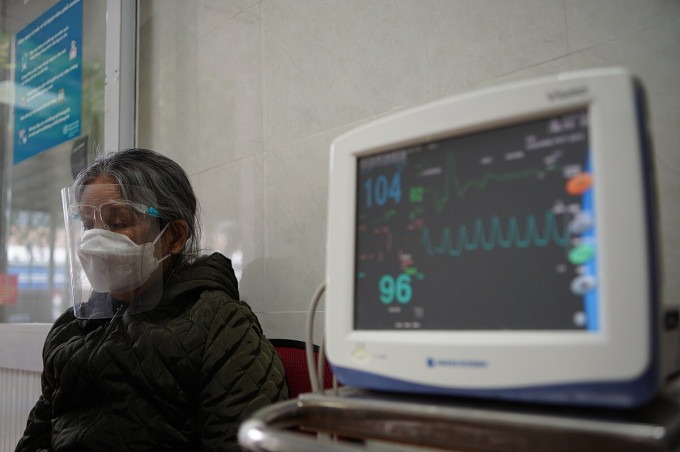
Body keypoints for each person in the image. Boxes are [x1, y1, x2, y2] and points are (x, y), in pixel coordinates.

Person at [16, 148, 287, 451]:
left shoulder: (219, 325)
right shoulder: (70, 328)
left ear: (174, 236)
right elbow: (35, 441)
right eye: (89, 225)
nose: (95, 240)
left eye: (118, 222)